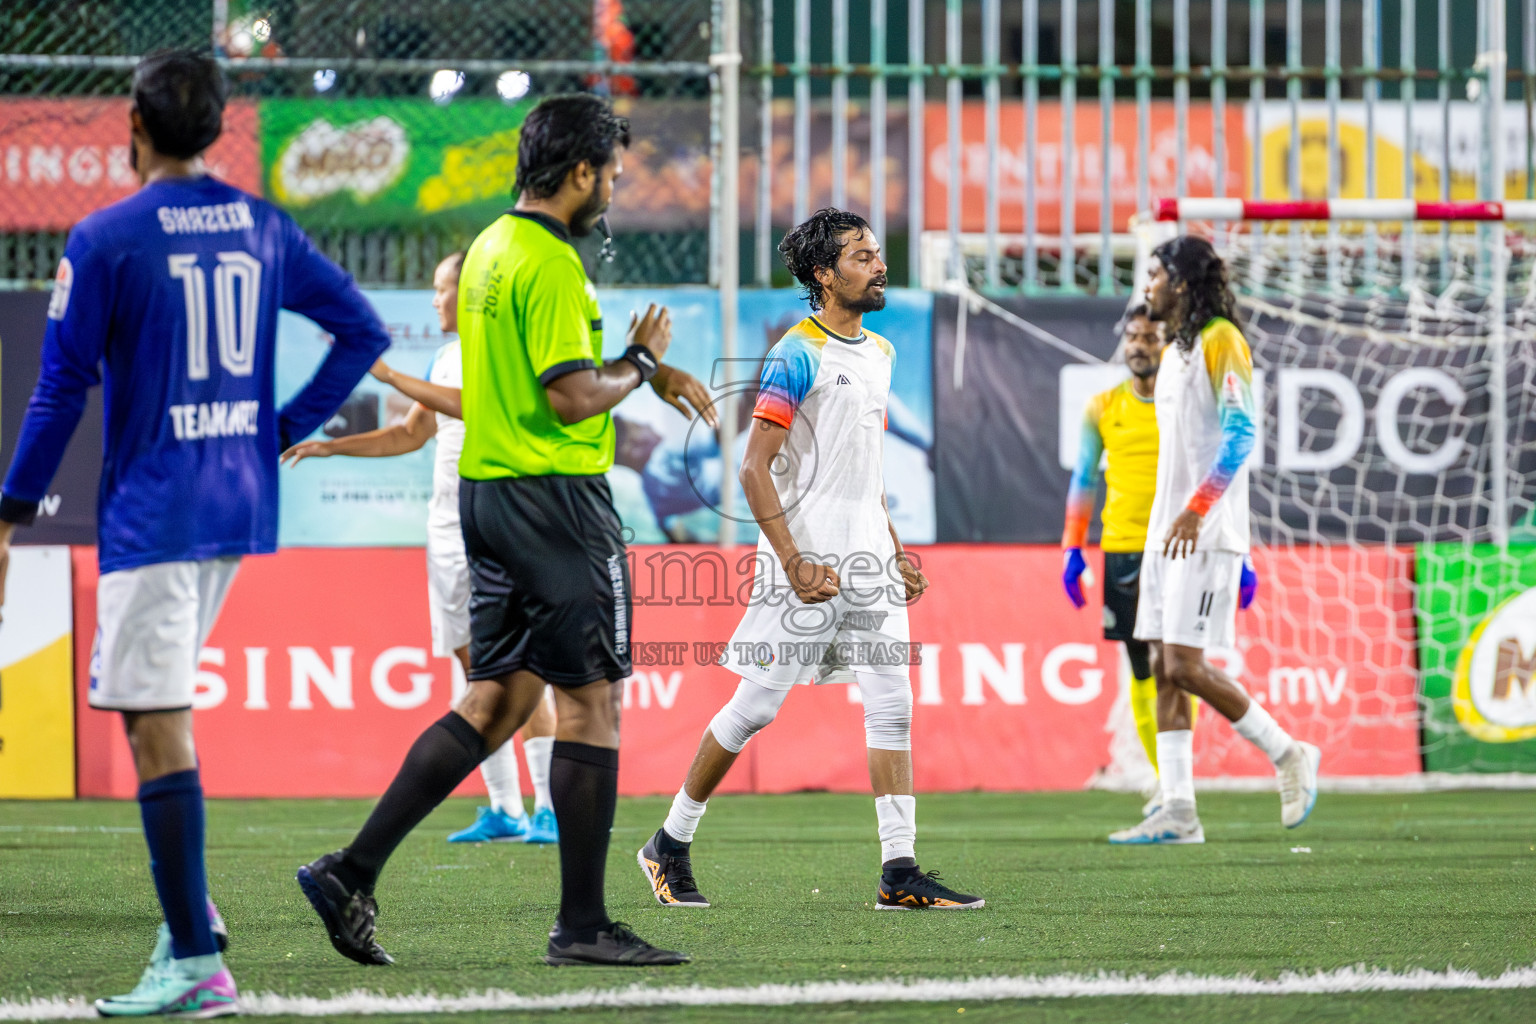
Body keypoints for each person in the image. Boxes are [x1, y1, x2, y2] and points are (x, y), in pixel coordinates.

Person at [0, 49, 390, 1016]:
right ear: (219, 126)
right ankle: (195, 914)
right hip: (236, 501)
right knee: (155, 707)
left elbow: (59, 391)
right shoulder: (263, 225)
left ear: (131, 123)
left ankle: (193, 958)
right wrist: (282, 429)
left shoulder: (107, 237)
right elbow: (364, 333)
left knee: (152, 721)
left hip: (159, 510)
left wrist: (9, 512)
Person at [296, 93, 715, 968]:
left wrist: (645, 371)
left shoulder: (490, 248)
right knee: (592, 702)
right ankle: (584, 925)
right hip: (555, 500)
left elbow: (530, 384)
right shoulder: (553, 263)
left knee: (498, 701)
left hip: (487, 498)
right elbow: (570, 397)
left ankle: (350, 870)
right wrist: (639, 364)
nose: (614, 187)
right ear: (577, 173)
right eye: (609, 171)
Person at [636, 208, 983, 912]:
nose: (879, 264)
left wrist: (894, 551)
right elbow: (753, 468)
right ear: (824, 274)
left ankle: (899, 871)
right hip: (802, 562)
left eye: (878, 252)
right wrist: (793, 561)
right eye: (861, 256)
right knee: (754, 708)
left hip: (867, 564)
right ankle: (669, 842)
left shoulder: (880, 354)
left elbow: (868, 468)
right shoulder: (797, 353)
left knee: (892, 704)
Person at [282, 252, 559, 846]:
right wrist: (331, 448)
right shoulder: (445, 354)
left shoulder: (504, 346)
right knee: (474, 668)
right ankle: (505, 810)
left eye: (443, 288)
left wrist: (388, 377)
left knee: (523, 667)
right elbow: (412, 433)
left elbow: (475, 408)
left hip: (497, 524)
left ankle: (550, 810)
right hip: (445, 532)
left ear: (472, 292)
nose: (435, 299)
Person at [1108, 235, 1318, 846]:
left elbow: (1242, 430)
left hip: (1206, 529)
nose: (1147, 283)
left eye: (1155, 273)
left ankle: (1289, 753)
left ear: (1181, 281)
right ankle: (1178, 810)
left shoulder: (1223, 338)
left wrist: (1198, 509)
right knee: (1159, 663)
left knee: (1185, 665)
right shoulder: (1174, 350)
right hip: (1165, 533)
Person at [1062, 308, 1254, 809]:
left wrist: (1245, 554)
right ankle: (1168, 786)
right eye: (1133, 336)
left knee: (1179, 665)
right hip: (1124, 548)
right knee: (1142, 668)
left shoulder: (1182, 405)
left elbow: (1229, 466)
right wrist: (1073, 550)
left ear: (1168, 344)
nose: (1140, 345)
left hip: (1181, 546)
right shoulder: (1101, 407)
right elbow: (1084, 478)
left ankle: (1179, 785)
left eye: (1151, 336)